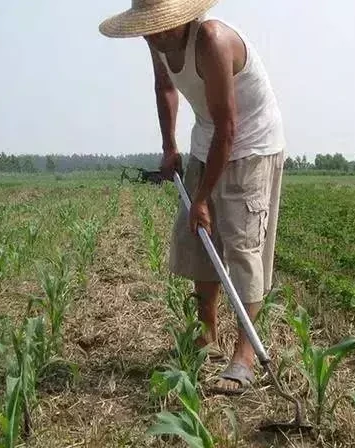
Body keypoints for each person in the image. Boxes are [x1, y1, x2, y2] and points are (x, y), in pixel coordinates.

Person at [99, 0, 285, 394]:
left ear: (183, 18)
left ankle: (245, 355)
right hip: (207, 141)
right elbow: (165, 86)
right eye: (148, 27)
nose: (154, 34)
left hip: (250, 145)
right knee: (200, 241)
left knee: (240, 246)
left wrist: (202, 197)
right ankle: (206, 335)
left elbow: (229, 127)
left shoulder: (212, 41)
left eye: (160, 26)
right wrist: (170, 146)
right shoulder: (157, 41)